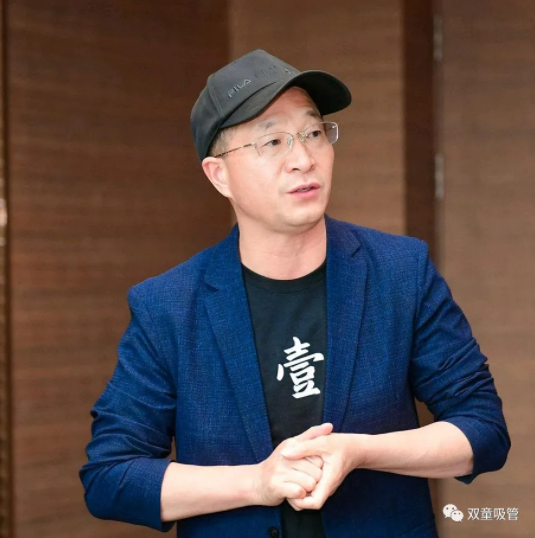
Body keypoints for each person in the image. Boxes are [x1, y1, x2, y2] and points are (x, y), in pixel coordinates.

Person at [80, 49, 510, 538]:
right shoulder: (170, 306)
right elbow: (110, 477)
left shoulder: (398, 272)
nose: (304, 160)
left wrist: (361, 451)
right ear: (219, 174)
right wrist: (257, 483)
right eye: (272, 141)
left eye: (313, 133)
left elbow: (483, 428)